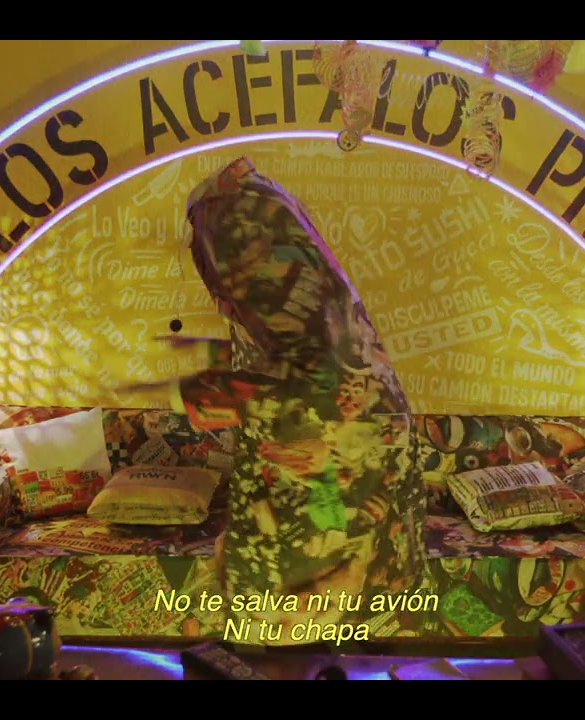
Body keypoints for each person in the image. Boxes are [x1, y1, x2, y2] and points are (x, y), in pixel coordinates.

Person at [135, 157, 425, 642]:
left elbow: (310, 385)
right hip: (316, 485)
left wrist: (200, 393)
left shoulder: (271, 270)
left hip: (334, 485)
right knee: (296, 627)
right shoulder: (303, 291)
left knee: (306, 631)